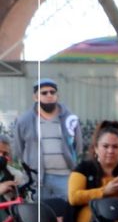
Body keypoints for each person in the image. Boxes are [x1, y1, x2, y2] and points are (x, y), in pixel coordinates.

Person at [14, 78, 81, 210]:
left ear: (57, 95)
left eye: (52, 92)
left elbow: (78, 146)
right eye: (44, 93)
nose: (49, 95)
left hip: (65, 177)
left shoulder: (69, 118)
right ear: (35, 97)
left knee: (67, 214)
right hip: (38, 179)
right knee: (39, 216)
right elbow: (18, 149)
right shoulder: (24, 121)